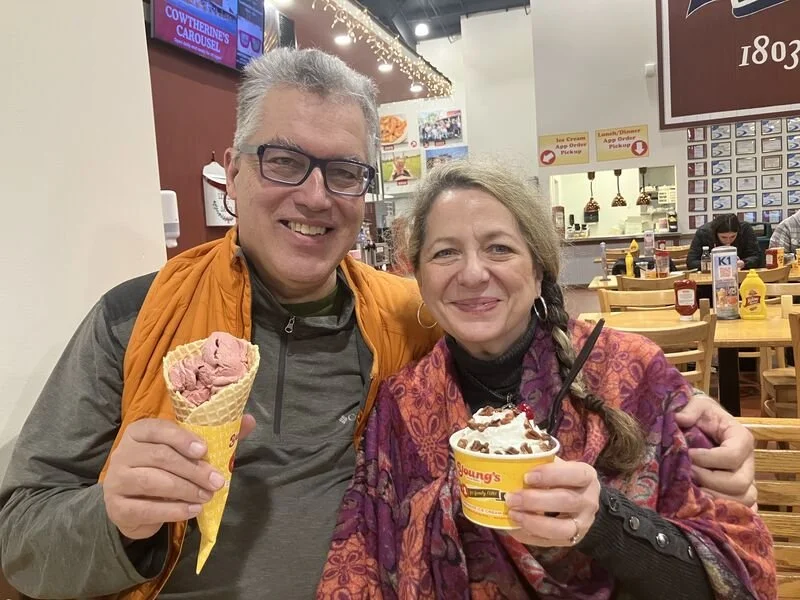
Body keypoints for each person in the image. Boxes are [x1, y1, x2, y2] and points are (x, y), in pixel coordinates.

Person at [0, 49, 755, 599]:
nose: (315, 196)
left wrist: (697, 419)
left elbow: (543, 357)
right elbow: (20, 540)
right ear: (232, 171)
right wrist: (112, 517)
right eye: (283, 160)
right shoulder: (134, 320)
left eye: (344, 171)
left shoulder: (405, 320)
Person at [319, 161, 775, 600]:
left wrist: (603, 522)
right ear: (418, 276)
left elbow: (734, 574)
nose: (473, 274)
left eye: (500, 248)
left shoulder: (631, 374)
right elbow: (360, 568)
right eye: (445, 252)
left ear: (538, 270)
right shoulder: (403, 405)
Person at [687, 213, 760, 270]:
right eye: (723, 237)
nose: (728, 241)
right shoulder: (704, 233)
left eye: (733, 236)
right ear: (715, 233)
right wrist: (713, 264)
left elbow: (757, 257)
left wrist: (743, 263)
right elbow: (691, 263)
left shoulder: (745, 230)